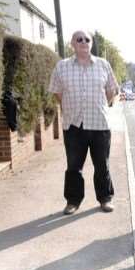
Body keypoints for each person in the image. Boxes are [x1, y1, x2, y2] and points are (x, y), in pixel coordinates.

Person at [49, 30, 119, 215]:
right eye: (78, 39)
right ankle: (73, 201)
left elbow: (112, 90)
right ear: (72, 43)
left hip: (99, 124)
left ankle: (105, 198)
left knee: (102, 165)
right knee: (73, 166)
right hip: (73, 125)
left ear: (91, 42)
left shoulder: (103, 65)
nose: (83, 42)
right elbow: (57, 91)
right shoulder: (62, 66)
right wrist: (69, 107)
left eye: (86, 39)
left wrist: (101, 105)